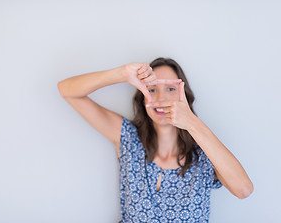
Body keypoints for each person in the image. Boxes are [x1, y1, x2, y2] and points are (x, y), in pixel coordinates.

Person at [57, 57, 253, 222]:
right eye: (152, 89)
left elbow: (243, 190)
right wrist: (122, 73)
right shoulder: (128, 138)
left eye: (170, 89)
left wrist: (192, 123)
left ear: (184, 95)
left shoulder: (204, 153)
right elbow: (67, 90)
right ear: (142, 98)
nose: (161, 98)